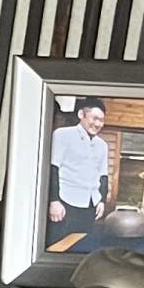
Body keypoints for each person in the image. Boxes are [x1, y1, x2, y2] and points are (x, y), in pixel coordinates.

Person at [48, 95, 113, 253]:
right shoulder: (62, 135)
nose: (97, 124)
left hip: (90, 204)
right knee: (58, 247)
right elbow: (53, 168)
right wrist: (54, 200)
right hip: (65, 202)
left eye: (101, 120)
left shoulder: (102, 145)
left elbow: (103, 175)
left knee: (82, 248)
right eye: (94, 118)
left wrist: (102, 201)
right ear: (81, 115)